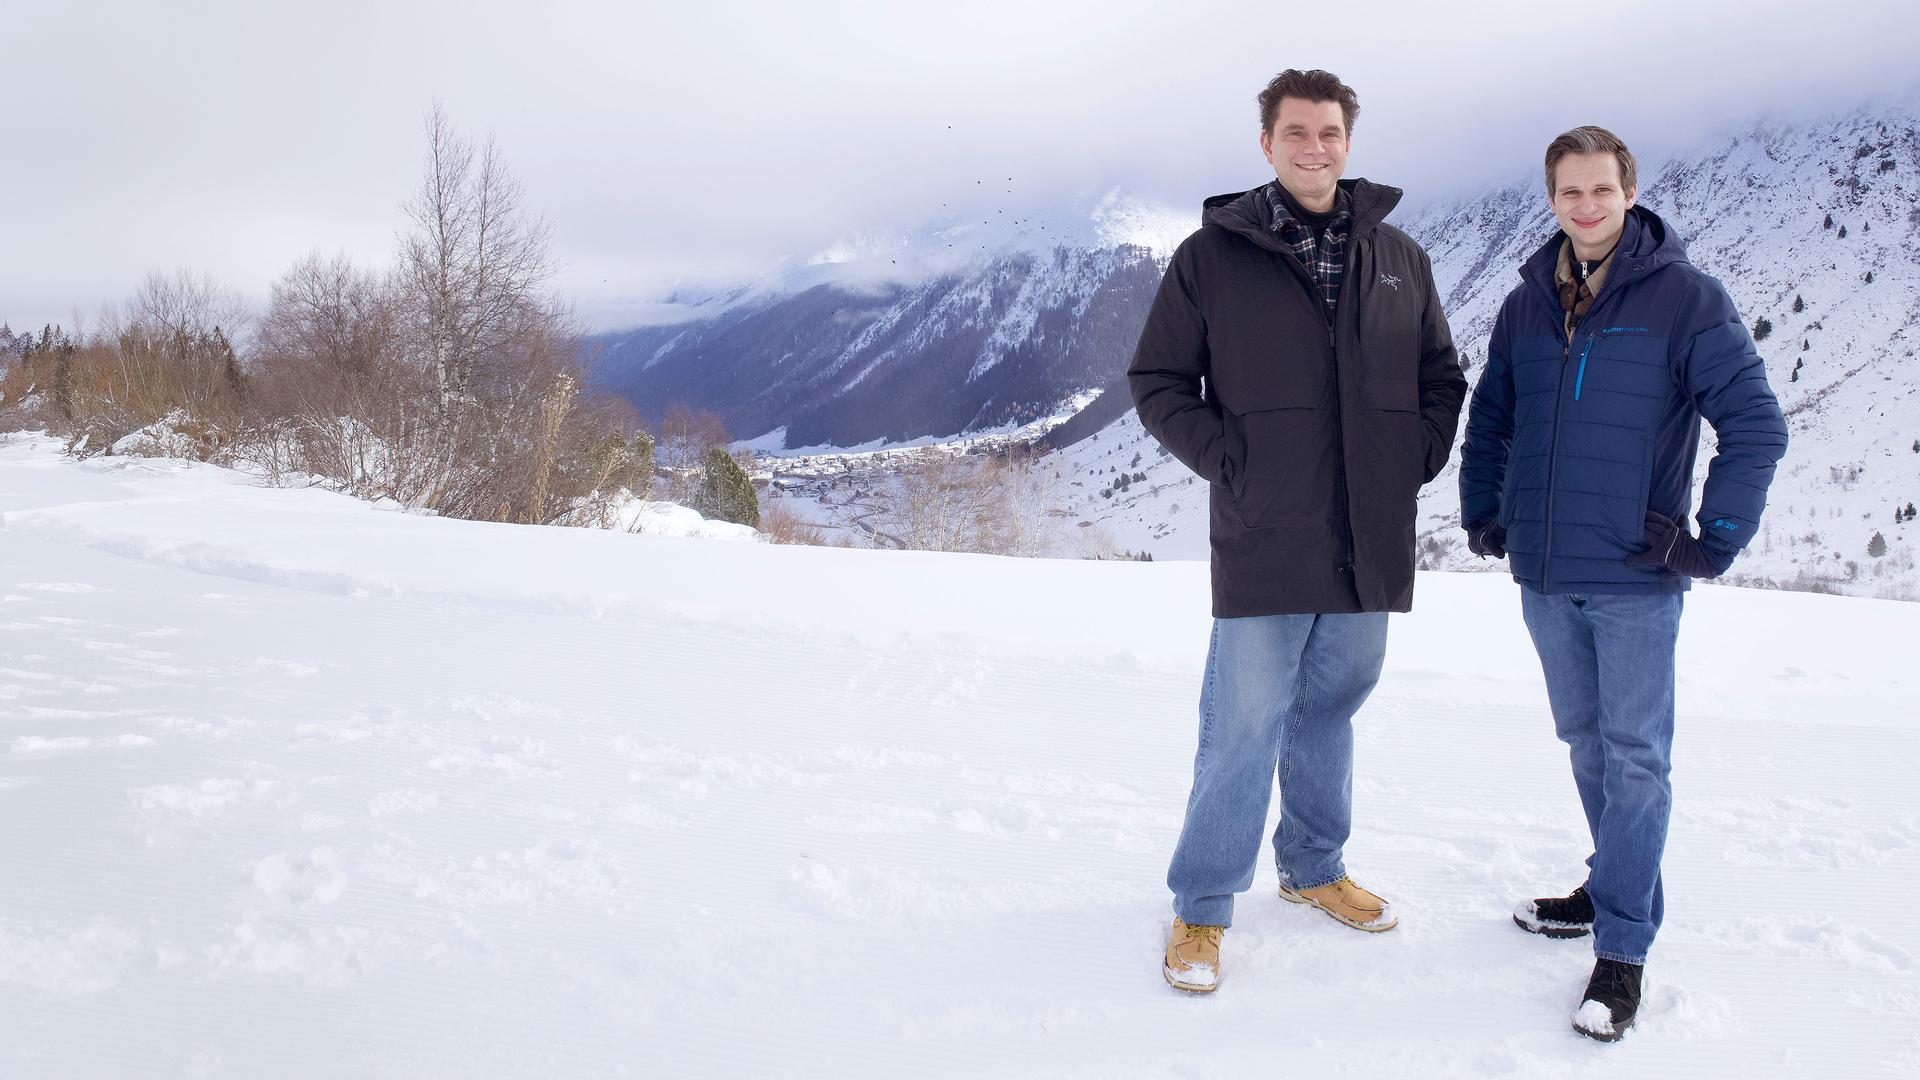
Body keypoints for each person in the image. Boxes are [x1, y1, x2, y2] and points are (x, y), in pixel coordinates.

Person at [1128, 68, 1466, 994]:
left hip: (1369, 535)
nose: (1314, 149)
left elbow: (1442, 376)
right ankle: (1202, 905)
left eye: (1329, 133)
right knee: (1241, 725)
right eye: (1296, 134)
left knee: (1331, 711)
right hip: (1265, 530)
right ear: (1267, 145)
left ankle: (1314, 868)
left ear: (1348, 142)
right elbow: (1157, 382)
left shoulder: (1398, 257)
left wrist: (1410, 458)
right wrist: (1230, 459)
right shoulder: (1211, 256)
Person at [1458, 126, 1788, 1040]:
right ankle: (1611, 888)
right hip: (1544, 573)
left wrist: (1712, 543)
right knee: (1587, 746)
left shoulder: (1685, 298)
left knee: (1636, 759)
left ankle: (1624, 949)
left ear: (1630, 193)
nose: (1587, 206)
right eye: (1570, 192)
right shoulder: (1527, 301)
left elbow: (1756, 426)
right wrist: (1486, 509)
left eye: (1602, 190)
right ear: (1551, 198)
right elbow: (1492, 418)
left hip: (1636, 579)